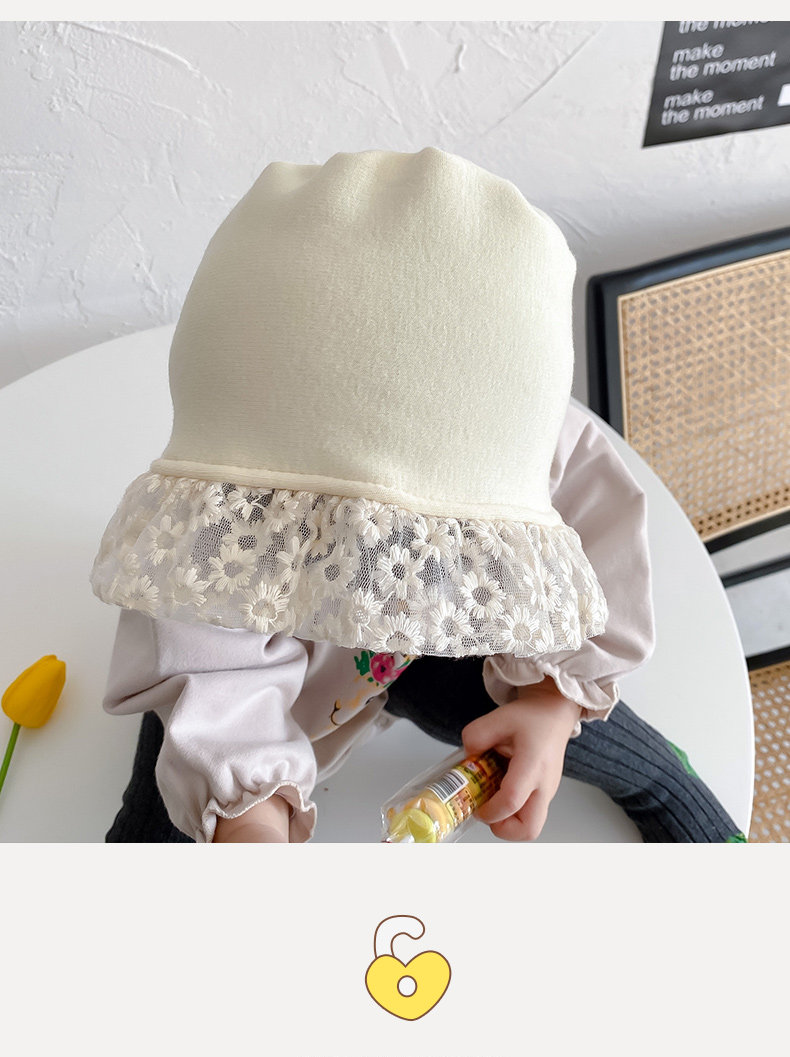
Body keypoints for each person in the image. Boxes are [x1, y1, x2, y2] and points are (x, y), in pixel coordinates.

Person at [90, 146, 746, 844]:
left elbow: (596, 522)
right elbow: (210, 667)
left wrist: (552, 703)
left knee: (584, 740)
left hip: (441, 630)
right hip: (276, 652)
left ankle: (659, 779)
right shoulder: (223, 529)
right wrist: (249, 816)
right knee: (168, 808)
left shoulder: (512, 432)